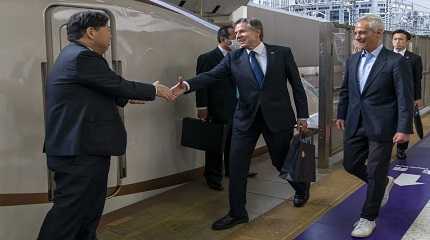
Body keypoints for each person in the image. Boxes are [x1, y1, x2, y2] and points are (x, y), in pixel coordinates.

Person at [38, 11, 172, 240]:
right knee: (68, 216)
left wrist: (126, 97)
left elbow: (100, 89)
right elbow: (117, 84)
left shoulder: (73, 55)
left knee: (87, 212)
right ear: (91, 32)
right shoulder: (82, 58)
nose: (111, 34)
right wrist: (154, 90)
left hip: (84, 149)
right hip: (79, 152)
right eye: (107, 29)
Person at [172, 18, 310, 230]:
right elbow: (211, 76)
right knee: (236, 166)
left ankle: (301, 188)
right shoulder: (234, 58)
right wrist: (187, 85)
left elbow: (297, 86)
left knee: (281, 161)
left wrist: (303, 116)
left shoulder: (281, 53)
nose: (237, 36)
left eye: (242, 32)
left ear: (258, 32)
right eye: (236, 33)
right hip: (245, 120)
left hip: (277, 118)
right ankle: (237, 213)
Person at [336, 15, 413, 238]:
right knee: (350, 164)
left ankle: (368, 217)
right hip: (355, 122)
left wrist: (403, 127)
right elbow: (346, 91)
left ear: (379, 33)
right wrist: (341, 113)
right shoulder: (352, 60)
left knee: (376, 169)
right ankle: (384, 182)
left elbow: (404, 98)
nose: (358, 36)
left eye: (362, 32)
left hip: (382, 125)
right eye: (356, 32)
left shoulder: (395, 61)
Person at [195, 25, 255, 191]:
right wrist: (202, 106)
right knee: (216, 144)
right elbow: (201, 84)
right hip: (217, 108)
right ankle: (213, 177)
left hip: (239, 108)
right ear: (223, 39)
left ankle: (233, 171)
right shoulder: (207, 58)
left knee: (235, 143)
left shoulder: (239, 57)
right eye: (234, 36)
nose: (238, 39)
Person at [392, 29, 423, 160]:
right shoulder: (385, 56)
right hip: (388, 97)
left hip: (407, 97)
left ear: (407, 41)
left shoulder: (415, 58)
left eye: (401, 39)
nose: (397, 42)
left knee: (404, 123)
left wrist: (417, 98)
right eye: (395, 39)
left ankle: (401, 149)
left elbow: (417, 79)